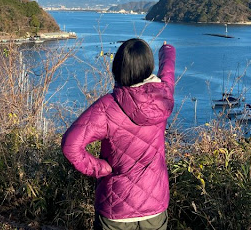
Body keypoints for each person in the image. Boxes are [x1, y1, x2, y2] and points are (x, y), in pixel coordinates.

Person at [61, 38, 176, 230]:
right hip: (155, 203)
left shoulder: (108, 107)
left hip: (116, 207)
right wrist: (167, 50)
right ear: (148, 67)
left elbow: (70, 146)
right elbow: (168, 73)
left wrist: (100, 169)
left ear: (118, 68)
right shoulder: (163, 97)